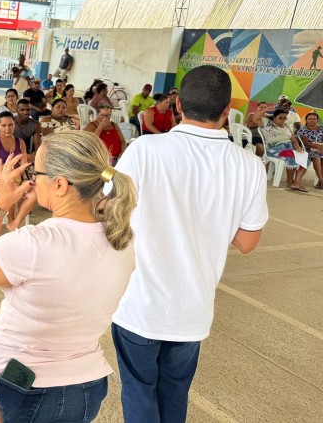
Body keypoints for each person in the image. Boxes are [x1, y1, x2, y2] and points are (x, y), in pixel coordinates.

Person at [112, 65, 268, 423]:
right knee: (174, 395)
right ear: (227, 110)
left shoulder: (144, 149)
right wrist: (213, 215)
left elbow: (108, 207)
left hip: (140, 305)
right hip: (192, 311)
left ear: (178, 104)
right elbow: (247, 242)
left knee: (139, 394)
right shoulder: (249, 166)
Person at [0, 131, 136, 423]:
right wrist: (20, 311)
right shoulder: (123, 239)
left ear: (61, 184)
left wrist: (0, 203)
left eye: (36, 172)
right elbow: (71, 291)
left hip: (26, 387)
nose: (32, 179)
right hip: (87, 386)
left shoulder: (36, 242)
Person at [0, 112, 31, 230]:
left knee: (33, 194)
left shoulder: (20, 142)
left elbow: (24, 165)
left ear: (14, 125)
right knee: (10, 192)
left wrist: (25, 179)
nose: (7, 128)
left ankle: (16, 222)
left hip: (16, 177)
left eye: (10, 125)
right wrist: (6, 179)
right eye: (4, 125)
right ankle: (10, 223)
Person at [263, 108, 308, 191]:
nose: (283, 120)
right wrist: (266, 109)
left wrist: (298, 148)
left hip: (288, 147)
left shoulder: (286, 126)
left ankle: (297, 182)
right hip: (275, 148)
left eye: (284, 118)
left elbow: (293, 140)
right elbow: (255, 118)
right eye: (280, 118)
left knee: (305, 156)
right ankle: (290, 181)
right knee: (292, 157)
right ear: (274, 117)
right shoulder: (268, 124)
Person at [298, 112, 323, 189]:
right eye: (310, 119)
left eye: (314, 119)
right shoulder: (303, 130)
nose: (312, 121)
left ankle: (320, 183)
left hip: (321, 149)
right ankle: (321, 180)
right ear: (306, 120)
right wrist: (319, 147)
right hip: (307, 150)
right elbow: (306, 143)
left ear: (317, 120)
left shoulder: (322, 128)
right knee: (316, 157)